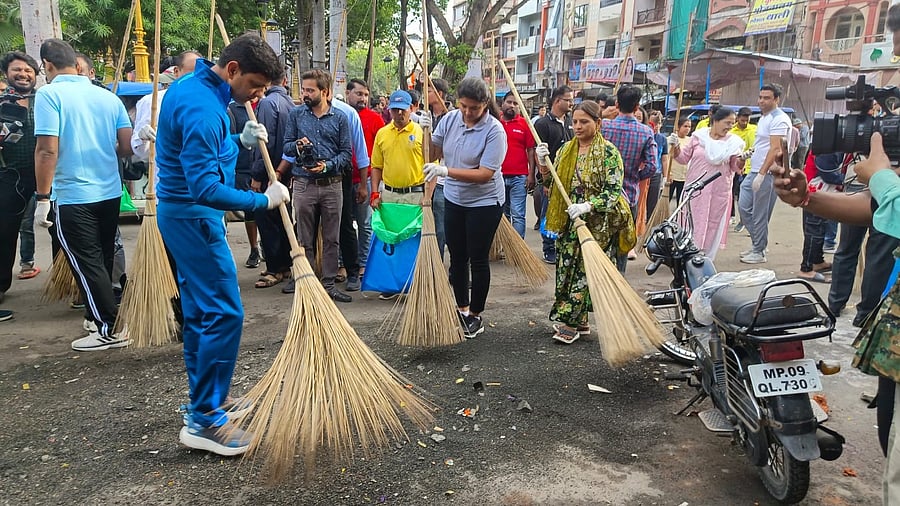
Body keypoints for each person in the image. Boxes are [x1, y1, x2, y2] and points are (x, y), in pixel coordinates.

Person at [153, 33, 288, 455]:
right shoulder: (203, 107)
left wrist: (237, 142)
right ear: (232, 70)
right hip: (194, 217)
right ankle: (206, 420)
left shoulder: (193, 89)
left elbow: (207, 153)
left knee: (200, 311)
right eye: (255, 85)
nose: (258, 95)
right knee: (224, 312)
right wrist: (263, 199)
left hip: (182, 215)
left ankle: (208, 399)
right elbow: (205, 187)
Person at [33, 39, 133, 350]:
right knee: (101, 260)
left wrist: (42, 199)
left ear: (47, 66)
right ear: (78, 66)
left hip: (74, 195)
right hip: (109, 191)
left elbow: (47, 150)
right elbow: (127, 147)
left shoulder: (49, 94)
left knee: (86, 263)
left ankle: (109, 328)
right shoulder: (107, 98)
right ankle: (96, 317)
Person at [538, 100, 633, 344]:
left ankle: (571, 322)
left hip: (597, 225)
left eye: (584, 122)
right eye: (575, 121)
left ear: (598, 123)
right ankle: (579, 321)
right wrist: (543, 164)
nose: (578, 126)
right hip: (570, 222)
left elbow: (613, 191)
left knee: (584, 271)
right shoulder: (565, 151)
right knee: (566, 270)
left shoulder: (609, 152)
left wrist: (588, 205)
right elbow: (551, 185)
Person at [424, 77, 507, 339]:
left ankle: (476, 314)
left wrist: (447, 171)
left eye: (473, 108)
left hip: (484, 202)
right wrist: (425, 132)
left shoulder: (495, 131)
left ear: (485, 104)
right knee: (457, 257)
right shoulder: (449, 120)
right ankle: (461, 308)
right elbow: (431, 156)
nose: (468, 113)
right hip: (454, 198)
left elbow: (485, 173)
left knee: (477, 257)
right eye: (463, 106)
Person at [284, 69, 354, 303]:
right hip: (303, 184)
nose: (305, 94)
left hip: (332, 184)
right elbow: (285, 147)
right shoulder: (296, 115)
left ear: (324, 92)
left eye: (310, 90)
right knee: (304, 236)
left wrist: (326, 166)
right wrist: (297, 146)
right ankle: (307, 281)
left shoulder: (340, 118)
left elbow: (346, 154)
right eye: (304, 89)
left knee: (332, 237)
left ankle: (329, 283)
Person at [669, 105, 745, 260]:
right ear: (716, 121)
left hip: (719, 192)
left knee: (712, 223)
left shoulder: (734, 142)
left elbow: (735, 167)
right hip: (695, 190)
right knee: (691, 221)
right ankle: (685, 255)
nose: (731, 127)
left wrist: (742, 160)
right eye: (727, 122)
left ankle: (705, 260)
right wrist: (675, 145)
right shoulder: (698, 137)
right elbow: (682, 158)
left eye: (733, 123)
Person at [600, 84, 657, 270]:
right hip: (629, 196)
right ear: (636, 107)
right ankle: (619, 279)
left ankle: (600, 279)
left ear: (616, 104)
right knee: (623, 245)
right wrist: (634, 176)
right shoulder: (646, 132)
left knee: (602, 241)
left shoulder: (605, 127)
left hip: (602, 194)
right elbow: (652, 166)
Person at [249, 68, 296, 290]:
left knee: (267, 220)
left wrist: (259, 175)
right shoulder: (291, 104)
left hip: (271, 171)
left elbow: (264, 141)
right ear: (285, 80)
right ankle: (285, 264)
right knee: (281, 218)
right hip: (285, 170)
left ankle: (275, 267)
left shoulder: (269, 103)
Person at [0, 51, 40, 304]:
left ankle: (70, 285)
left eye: (28, 70)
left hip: (48, 173)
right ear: (6, 74)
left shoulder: (44, 100)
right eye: (17, 70)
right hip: (10, 174)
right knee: (4, 231)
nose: (23, 74)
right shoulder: (1, 102)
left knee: (61, 228)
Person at [738, 83, 790, 264]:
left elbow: (776, 148)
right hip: (754, 168)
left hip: (767, 172)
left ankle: (759, 250)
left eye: (766, 98)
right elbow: (763, 144)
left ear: (776, 99)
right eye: (760, 97)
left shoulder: (779, 119)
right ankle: (759, 243)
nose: (761, 101)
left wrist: (761, 174)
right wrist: (750, 153)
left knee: (760, 213)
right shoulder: (764, 118)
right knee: (744, 208)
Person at [345, 78, 384, 281]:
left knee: (365, 223)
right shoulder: (339, 114)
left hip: (366, 179)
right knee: (344, 225)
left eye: (366, 95)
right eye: (359, 94)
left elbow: (380, 152)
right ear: (347, 93)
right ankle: (344, 263)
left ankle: (363, 264)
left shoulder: (375, 119)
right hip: (342, 179)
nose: (363, 98)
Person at [534, 85, 575, 264]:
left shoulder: (571, 122)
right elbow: (538, 154)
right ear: (557, 100)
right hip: (550, 178)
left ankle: (562, 246)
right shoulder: (542, 124)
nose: (571, 103)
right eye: (568, 100)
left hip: (570, 177)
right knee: (547, 214)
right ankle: (548, 248)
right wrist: (545, 181)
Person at [226, 99, 263, 268]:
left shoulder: (266, 105)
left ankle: (267, 247)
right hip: (243, 167)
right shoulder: (233, 109)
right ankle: (254, 248)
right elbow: (228, 141)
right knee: (250, 210)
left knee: (266, 212)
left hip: (264, 167)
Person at [421, 77, 452, 258]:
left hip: (449, 179)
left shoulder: (453, 116)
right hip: (430, 179)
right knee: (435, 228)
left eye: (429, 91)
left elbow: (442, 152)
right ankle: (436, 264)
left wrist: (433, 133)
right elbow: (428, 153)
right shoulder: (424, 116)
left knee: (447, 229)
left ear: (439, 94)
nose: (426, 94)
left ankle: (456, 269)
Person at [499, 91, 536, 238]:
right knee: (502, 214)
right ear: (503, 103)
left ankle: (518, 245)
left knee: (518, 214)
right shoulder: (496, 123)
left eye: (516, 103)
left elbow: (530, 151)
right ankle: (505, 246)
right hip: (498, 176)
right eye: (509, 102)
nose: (512, 106)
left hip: (519, 177)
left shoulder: (525, 124)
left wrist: (531, 174)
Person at [730, 107, 756, 231]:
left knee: (744, 197)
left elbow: (755, 148)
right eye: (742, 120)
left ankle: (743, 220)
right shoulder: (731, 131)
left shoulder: (754, 130)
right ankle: (731, 215)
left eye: (747, 120)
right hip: (734, 167)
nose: (744, 123)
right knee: (731, 193)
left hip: (749, 167)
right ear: (737, 118)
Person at [667, 117, 691, 203]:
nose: (687, 129)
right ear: (678, 127)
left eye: (689, 127)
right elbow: (667, 157)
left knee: (681, 202)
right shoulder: (671, 139)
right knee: (667, 199)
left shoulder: (690, 140)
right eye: (685, 126)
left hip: (684, 177)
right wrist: (668, 173)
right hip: (673, 175)